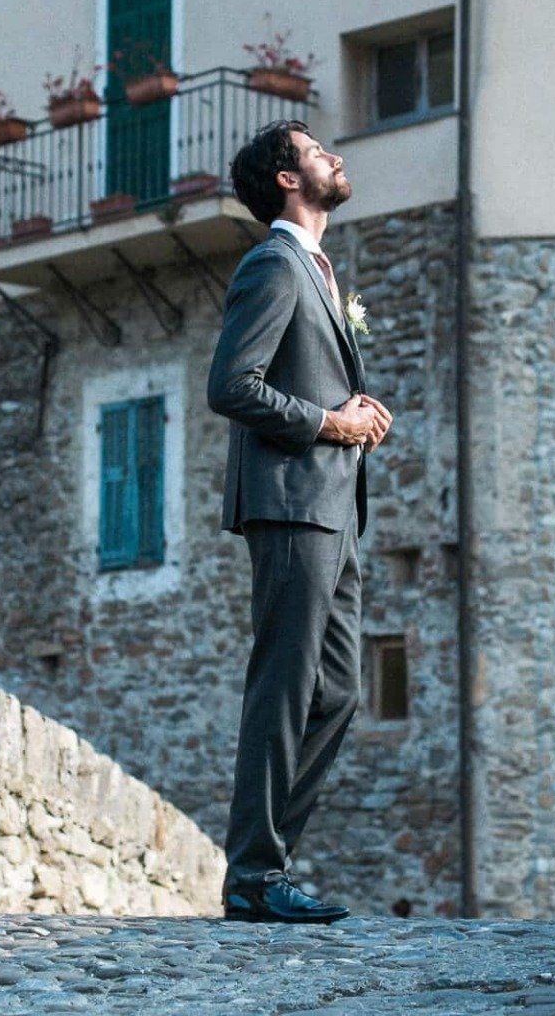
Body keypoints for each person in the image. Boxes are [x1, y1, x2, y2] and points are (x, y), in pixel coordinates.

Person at [206, 119, 392, 924]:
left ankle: (267, 862)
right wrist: (329, 423)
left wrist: (356, 412)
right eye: (317, 151)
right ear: (287, 179)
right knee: (283, 686)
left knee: (338, 691)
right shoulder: (273, 264)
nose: (334, 157)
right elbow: (231, 385)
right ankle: (254, 875)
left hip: (333, 509)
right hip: (289, 503)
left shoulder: (316, 268)